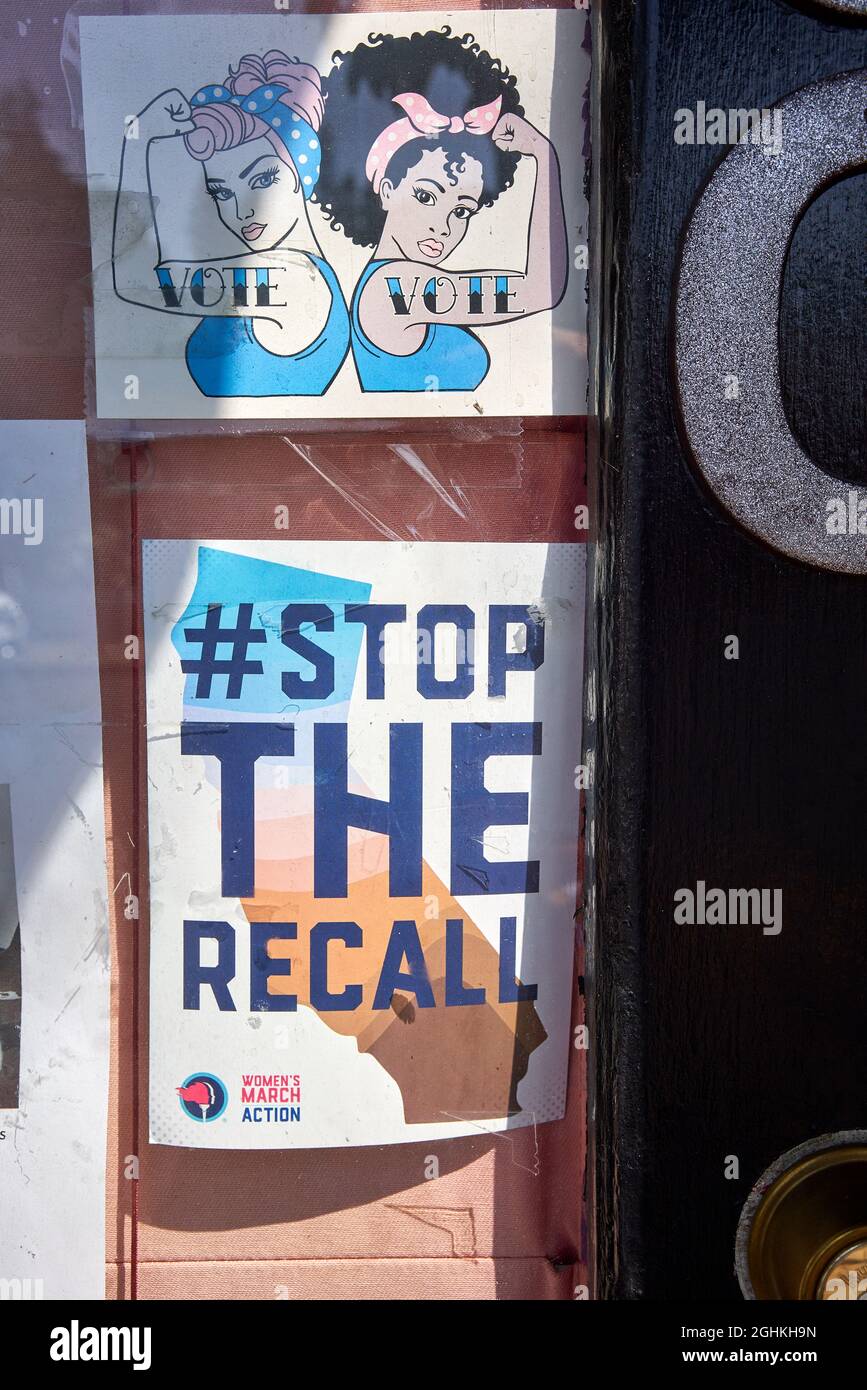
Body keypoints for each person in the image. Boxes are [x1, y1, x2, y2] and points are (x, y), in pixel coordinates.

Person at [316, 28, 567, 393]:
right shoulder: (395, 288)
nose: (443, 226)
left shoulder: (400, 283)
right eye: (426, 197)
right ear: (387, 190)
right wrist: (544, 157)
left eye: (462, 209)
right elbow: (539, 290)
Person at [112, 50, 349, 398]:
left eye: (263, 180)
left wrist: (141, 137)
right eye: (220, 193)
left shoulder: (294, 279)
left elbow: (130, 279)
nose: (241, 212)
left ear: (301, 174)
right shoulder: (267, 274)